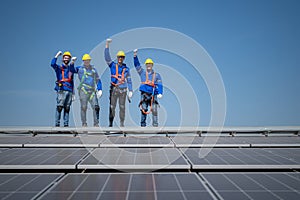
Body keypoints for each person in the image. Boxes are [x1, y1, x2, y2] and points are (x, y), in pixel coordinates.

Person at [104, 38, 133, 127]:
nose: (120, 58)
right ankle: (110, 125)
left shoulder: (126, 69)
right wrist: (107, 45)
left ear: (123, 58)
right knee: (112, 107)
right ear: (117, 58)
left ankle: (122, 124)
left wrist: (131, 90)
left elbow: (129, 80)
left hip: (123, 90)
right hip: (113, 89)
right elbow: (107, 57)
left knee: (122, 107)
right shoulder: (112, 65)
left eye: (122, 57)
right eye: (119, 57)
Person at [133, 49, 163, 127]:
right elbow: (137, 65)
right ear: (146, 65)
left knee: (154, 110)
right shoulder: (142, 73)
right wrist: (135, 56)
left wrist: (160, 92)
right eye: (147, 64)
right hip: (144, 94)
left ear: (152, 65)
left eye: (150, 64)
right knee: (144, 109)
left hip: (153, 94)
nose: (148, 65)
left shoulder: (156, 75)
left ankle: (155, 126)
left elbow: (160, 84)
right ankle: (143, 125)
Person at [75, 54, 102, 127]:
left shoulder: (93, 70)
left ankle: (96, 124)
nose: (87, 62)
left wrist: (100, 89)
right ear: (83, 61)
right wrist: (72, 63)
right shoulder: (79, 69)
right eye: (85, 60)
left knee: (96, 107)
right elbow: (70, 70)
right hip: (83, 90)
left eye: (88, 60)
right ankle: (84, 123)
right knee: (84, 107)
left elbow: (98, 80)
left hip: (92, 91)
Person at [51, 51, 77, 127]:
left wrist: (73, 93)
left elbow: (72, 81)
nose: (66, 59)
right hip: (61, 89)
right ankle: (57, 125)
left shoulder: (70, 70)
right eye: (65, 58)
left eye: (68, 58)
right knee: (59, 107)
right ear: (63, 59)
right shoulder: (59, 68)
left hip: (69, 90)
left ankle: (66, 126)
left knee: (67, 108)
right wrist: (56, 56)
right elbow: (52, 64)